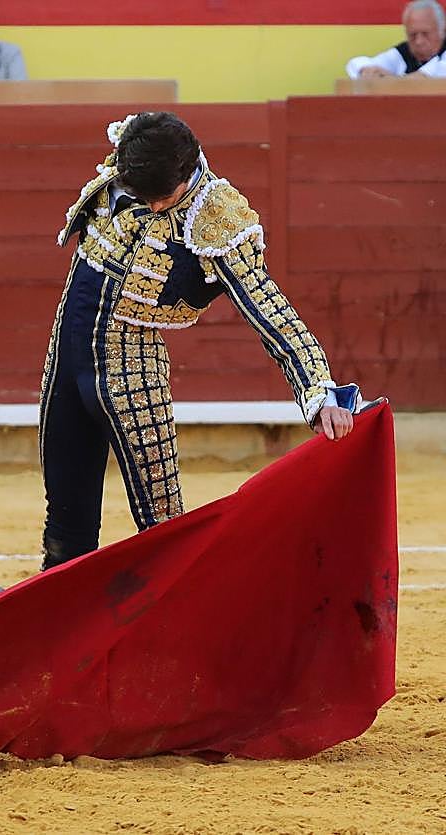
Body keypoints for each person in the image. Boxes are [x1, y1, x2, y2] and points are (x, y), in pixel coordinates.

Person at [38, 112, 360, 570]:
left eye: (160, 198)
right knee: (64, 522)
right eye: (139, 194)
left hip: (132, 371)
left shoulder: (217, 218)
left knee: (162, 524)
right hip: (65, 360)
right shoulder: (137, 154)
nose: (148, 206)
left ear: (185, 176)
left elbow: (270, 310)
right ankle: (55, 631)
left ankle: (173, 634)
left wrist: (319, 390)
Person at [345, 0, 445, 78]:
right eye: (412, 35)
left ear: (442, 30)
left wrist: (390, 80)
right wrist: (366, 71)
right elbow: (356, 63)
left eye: (425, 34)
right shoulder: (403, 52)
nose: (419, 41)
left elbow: (430, 76)